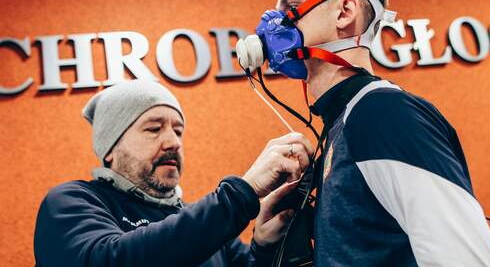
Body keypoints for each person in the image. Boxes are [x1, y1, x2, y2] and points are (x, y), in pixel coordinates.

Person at [272, 0, 490, 266]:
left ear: (345, 12)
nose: (277, 22)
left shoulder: (381, 116)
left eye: (291, 7)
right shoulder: (344, 124)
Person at [34, 79, 314, 267]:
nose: (173, 142)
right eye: (154, 129)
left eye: (178, 131)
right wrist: (241, 194)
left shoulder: (208, 226)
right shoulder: (72, 201)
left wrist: (264, 245)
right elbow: (109, 259)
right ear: (111, 148)